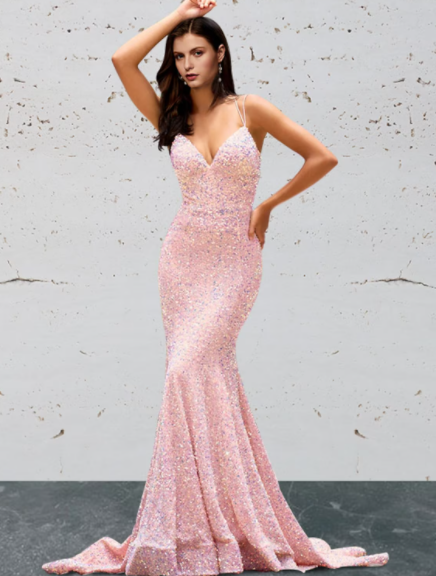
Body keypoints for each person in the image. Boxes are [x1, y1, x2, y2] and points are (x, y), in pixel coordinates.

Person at [42, 1, 390, 574]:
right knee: (192, 377)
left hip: (234, 265)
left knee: (192, 370)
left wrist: (268, 204)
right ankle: (203, 524)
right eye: (179, 55)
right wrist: (178, 14)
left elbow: (321, 156)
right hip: (181, 263)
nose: (187, 64)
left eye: (198, 51)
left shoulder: (251, 110)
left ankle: (224, 521)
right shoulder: (170, 116)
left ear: (220, 54)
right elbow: (122, 59)